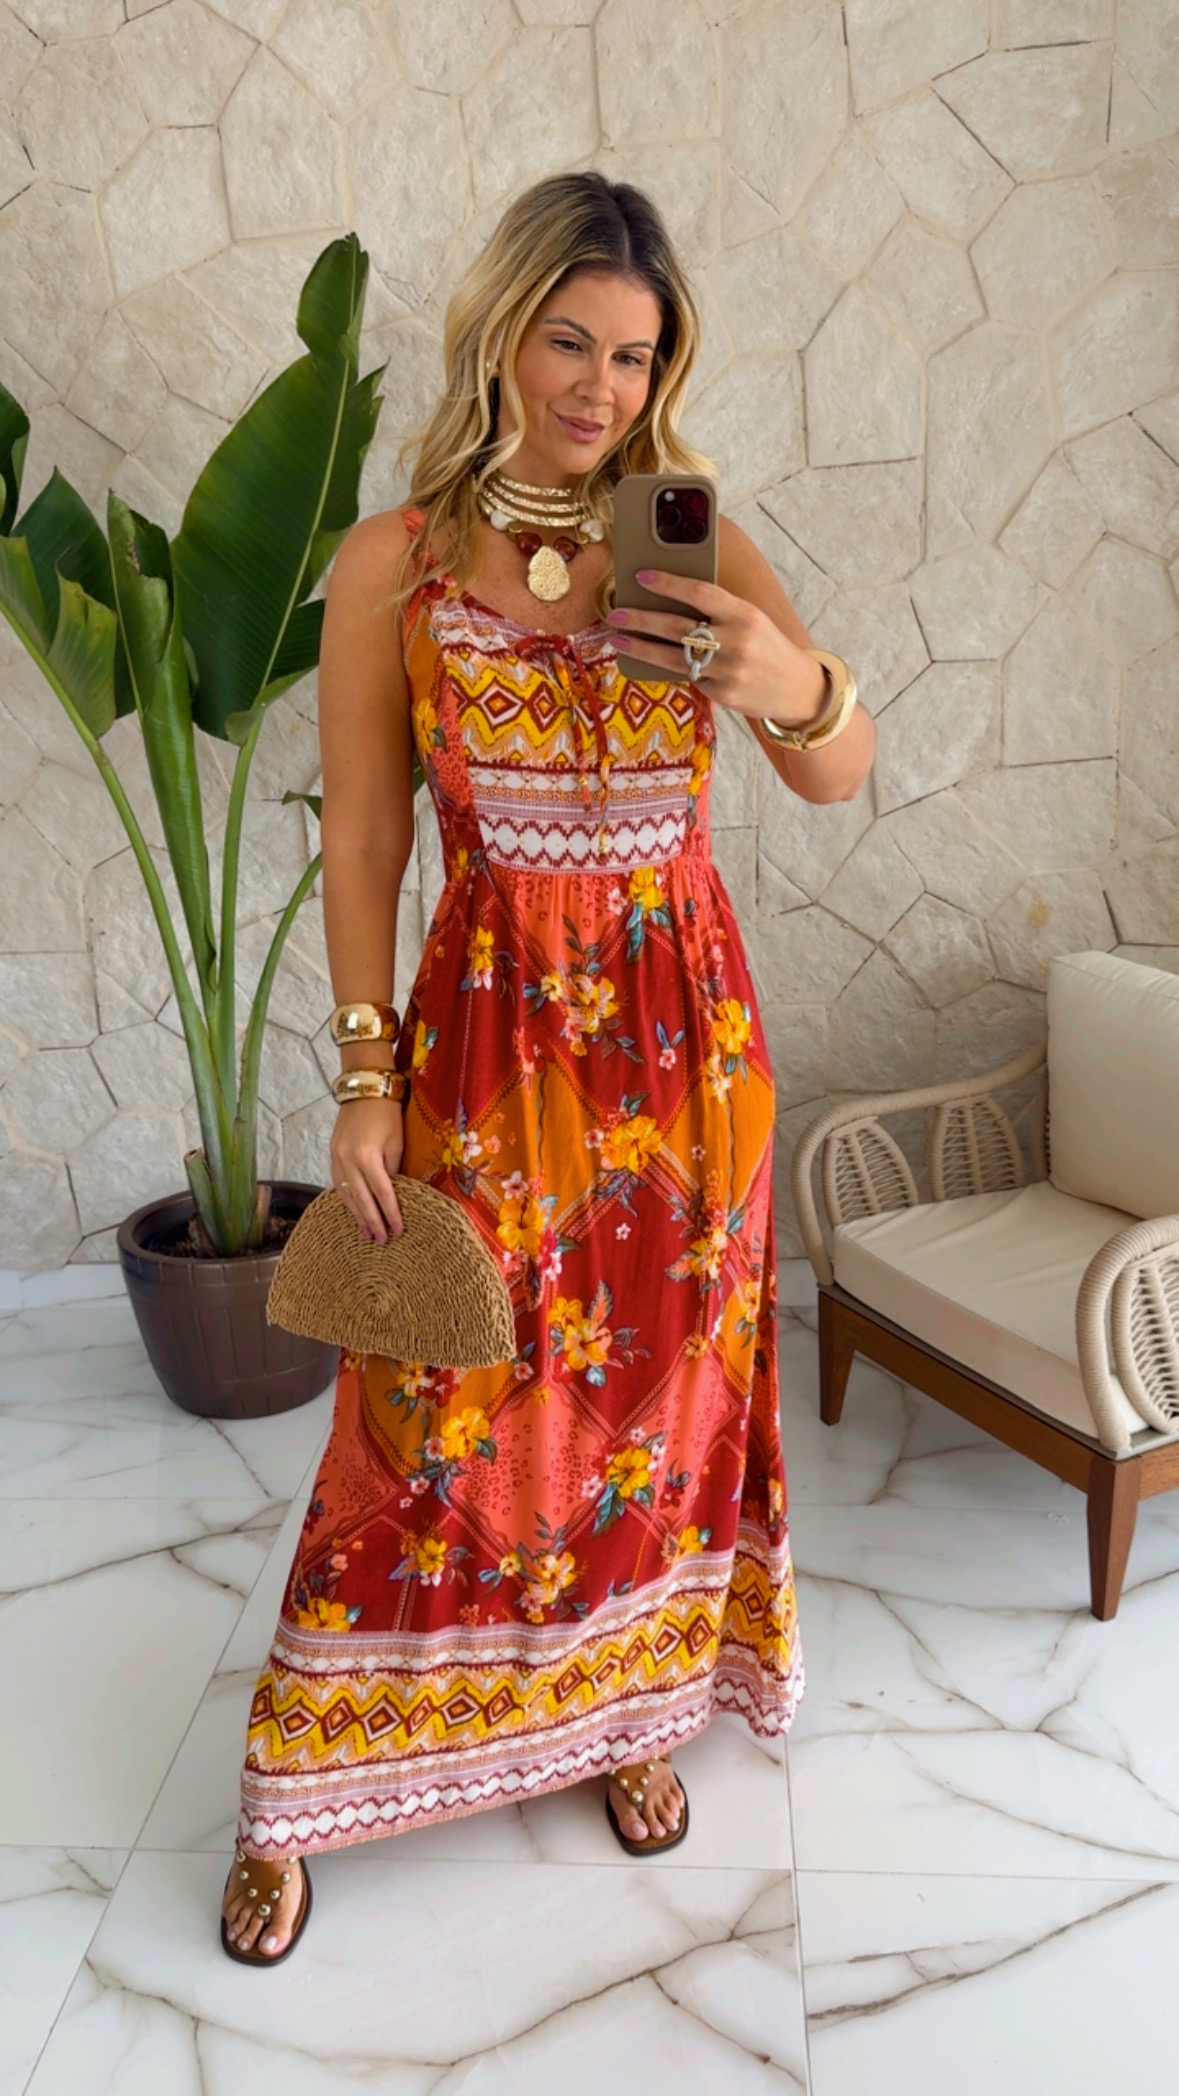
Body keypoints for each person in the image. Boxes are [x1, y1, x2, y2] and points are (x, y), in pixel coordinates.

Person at [221, 169, 874, 1962]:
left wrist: (780, 675)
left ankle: (630, 1708)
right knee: (432, 1412)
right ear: (506, 332)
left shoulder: (690, 537)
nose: (601, 384)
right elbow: (369, 840)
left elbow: (838, 767)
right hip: (488, 1051)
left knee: (660, 1414)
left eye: (635, 354)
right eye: (571, 340)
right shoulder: (398, 563)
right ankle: (302, 1781)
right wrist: (364, 1074)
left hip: (691, 1061)